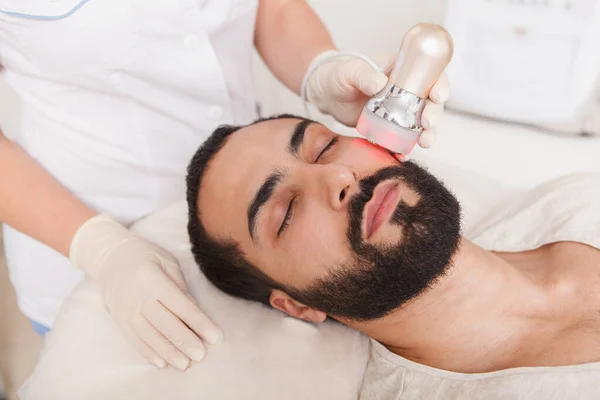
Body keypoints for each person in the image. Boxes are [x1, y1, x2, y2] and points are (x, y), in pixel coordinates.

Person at [0, 1, 449, 371]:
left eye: (325, 146)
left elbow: (268, 7)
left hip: (261, 230)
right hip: (86, 226)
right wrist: (98, 247)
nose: (343, 178)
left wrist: (319, 69)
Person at [186, 115, 600, 397]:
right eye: (287, 212)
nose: (339, 176)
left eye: (325, 146)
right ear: (297, 304)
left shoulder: (574, 200)